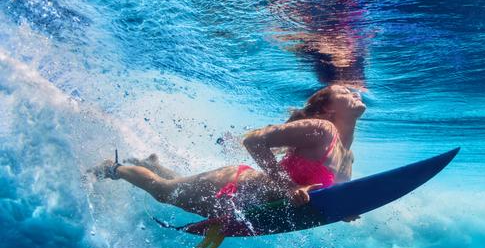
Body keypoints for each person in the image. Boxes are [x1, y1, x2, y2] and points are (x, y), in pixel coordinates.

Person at [92, 85, 365, 220]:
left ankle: (151, 163)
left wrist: (346, 212)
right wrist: (288, 186)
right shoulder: (322, 128)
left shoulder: (347, 157)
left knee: (175, 187)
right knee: (164, 192)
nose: (355, 93)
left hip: (252, 204)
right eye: (345, 91)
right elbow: (254, 141)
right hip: (235, 187)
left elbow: (326, 198)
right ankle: (112, 168)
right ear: (328, 108)